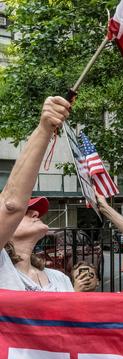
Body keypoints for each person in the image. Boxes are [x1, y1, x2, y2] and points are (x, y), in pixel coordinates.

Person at [0, 96, 73, 291]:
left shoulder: (60, 279)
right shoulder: (3, 269)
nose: (36, 213)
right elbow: (11, 205)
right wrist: (44, 129)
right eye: (28, 211)